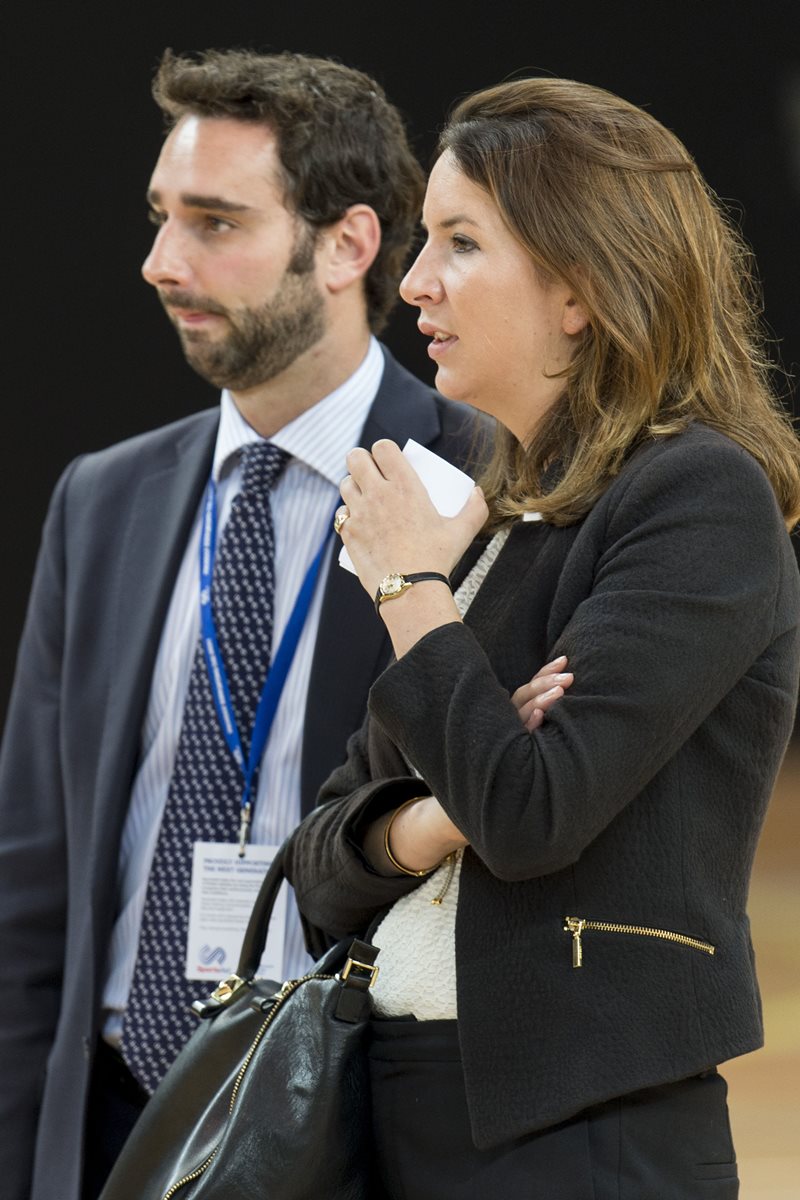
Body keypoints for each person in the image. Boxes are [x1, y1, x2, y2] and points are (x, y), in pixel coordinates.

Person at [283, 77, 800, 1198]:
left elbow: (527, 815)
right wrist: (432, 817)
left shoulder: (696, 496)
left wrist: (410, 585)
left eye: (458, 243)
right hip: (406, 1105)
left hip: (575, 1129)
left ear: (579, 288)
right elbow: (318, 864)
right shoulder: (492, 512)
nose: (412, 283)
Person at [0, 48, 492, 1200]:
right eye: (163, 217)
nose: (162, 262)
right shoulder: (102, 498)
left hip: (347, 1123)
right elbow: (32, 877)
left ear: (348, 247)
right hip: (114, 1120)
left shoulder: (476, 476)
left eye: (214, 223)